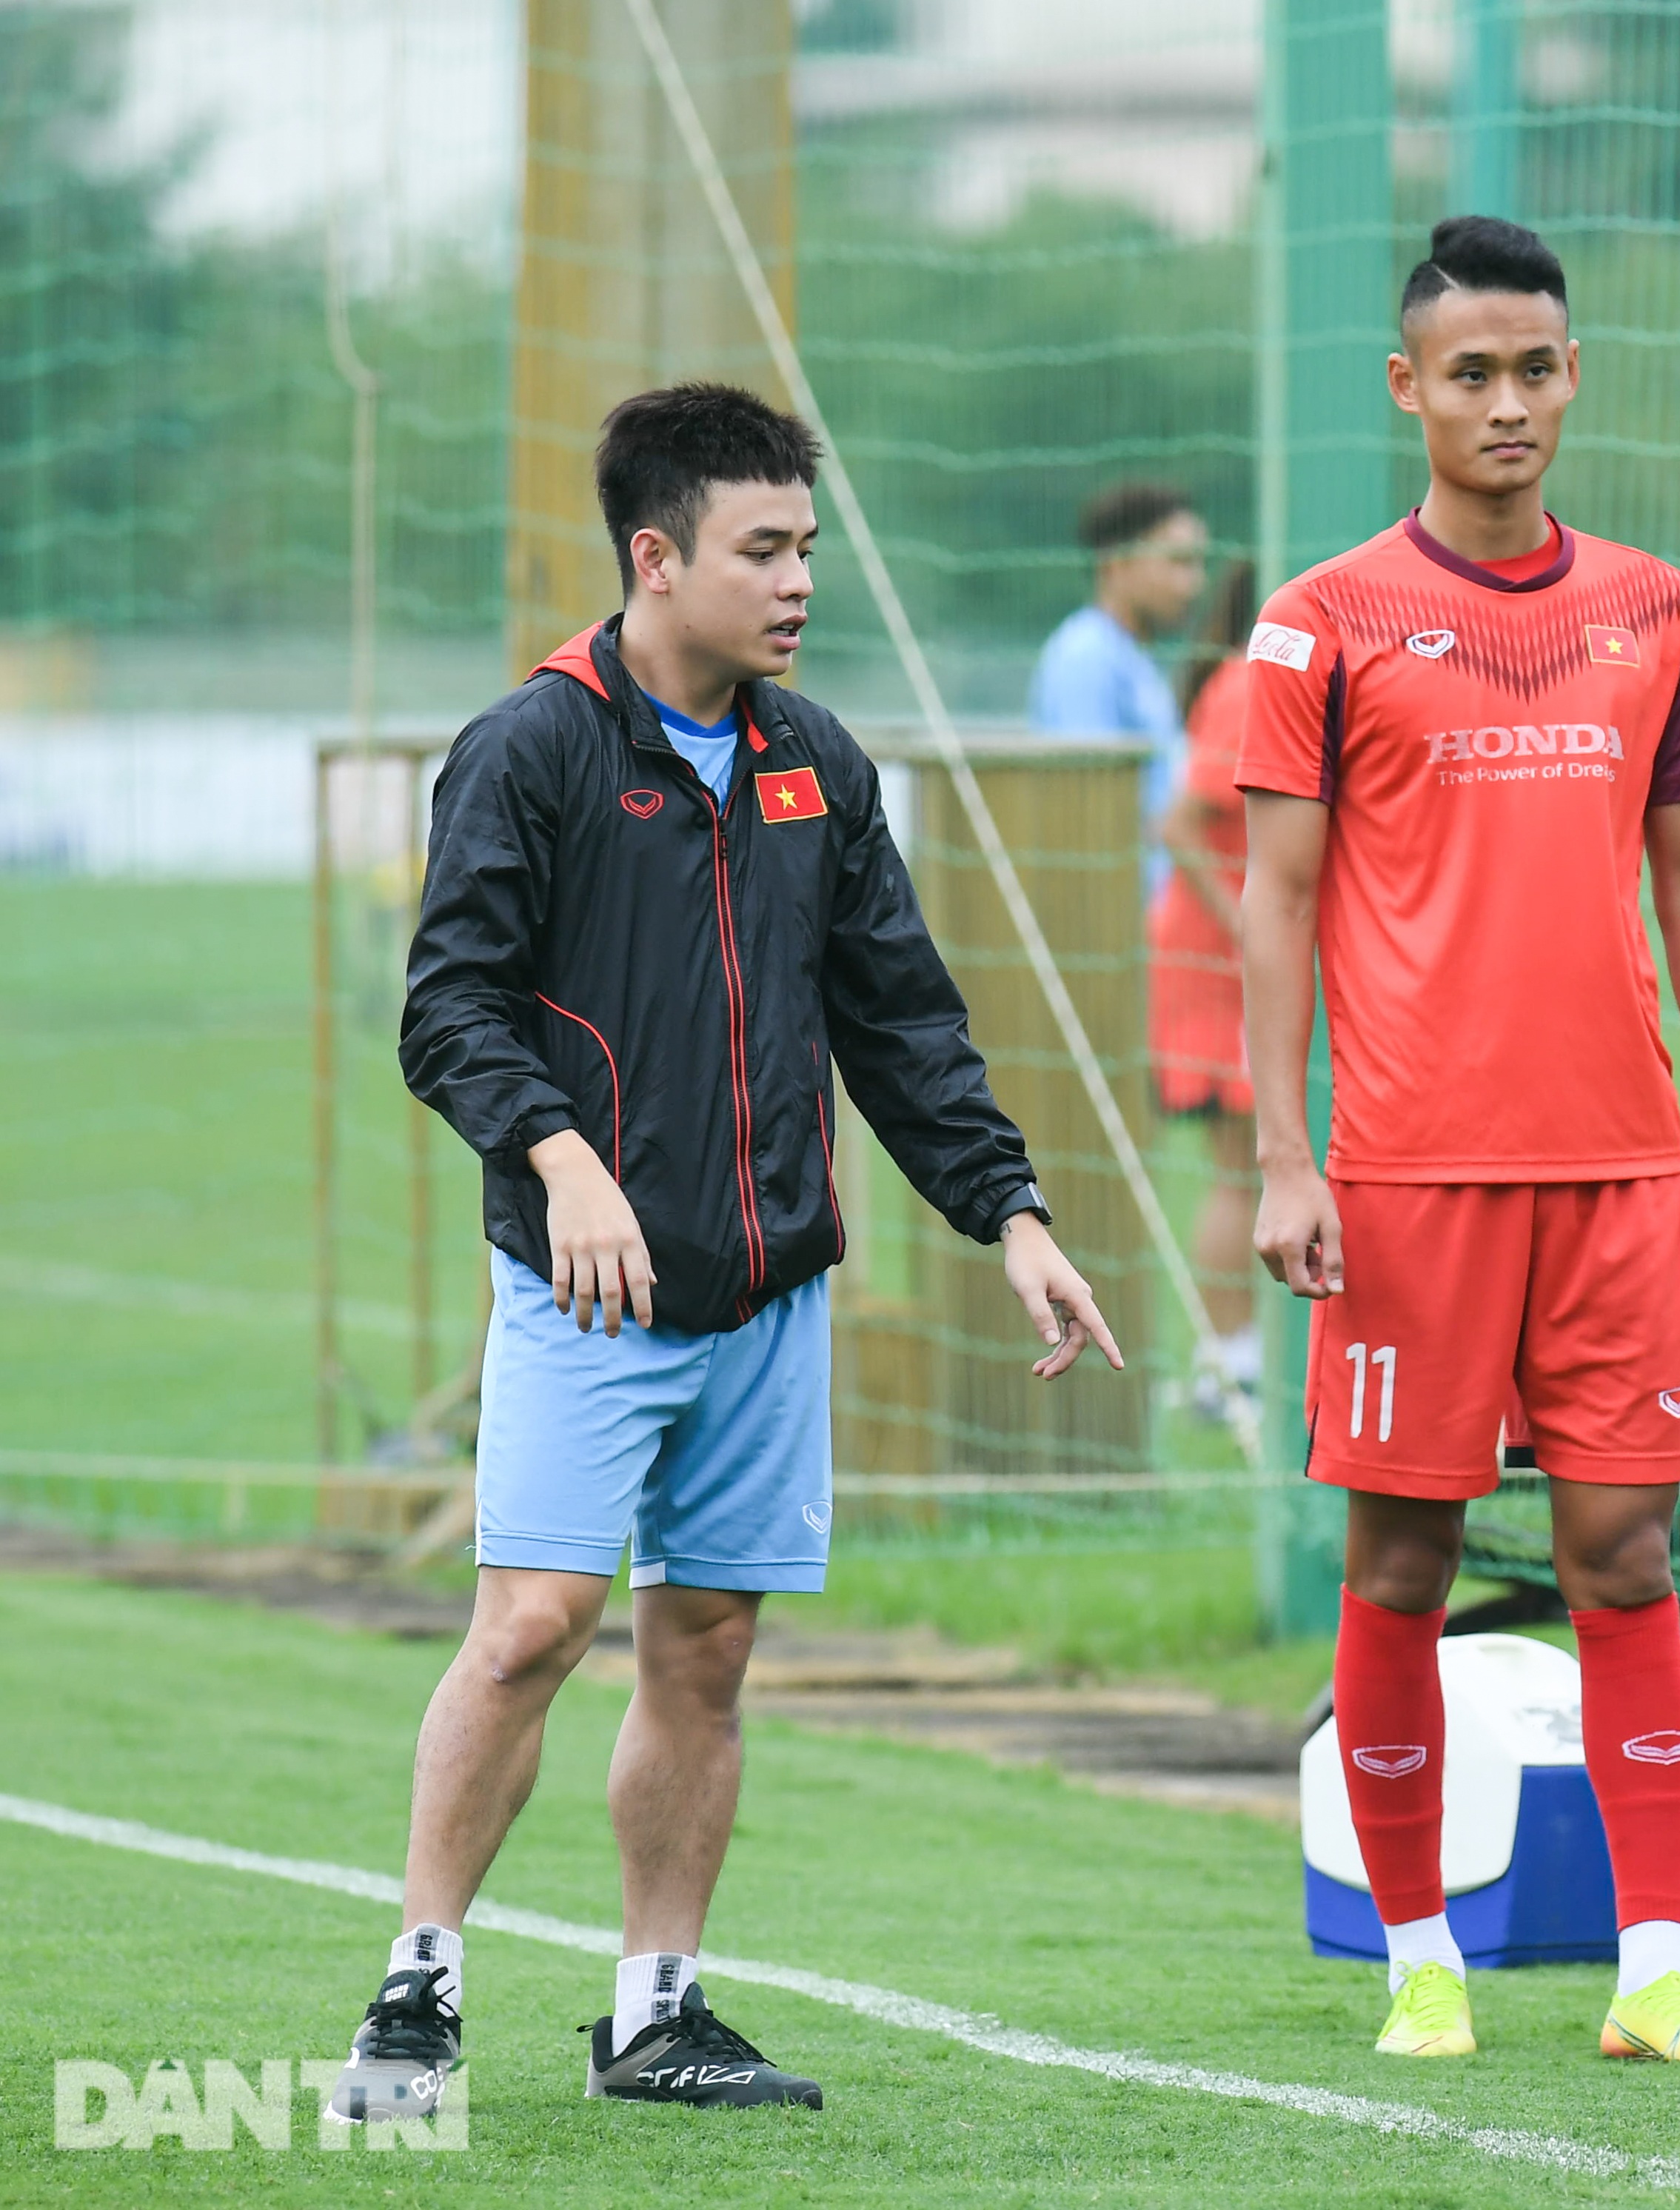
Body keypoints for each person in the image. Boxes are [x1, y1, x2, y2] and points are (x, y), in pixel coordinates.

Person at [361, 383, 1121, 2121]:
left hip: (770, 1295)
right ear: (656, 556)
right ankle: (419, 1987)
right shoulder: (531, 748)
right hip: (585, 1291)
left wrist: (1010, 1214)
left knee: (703, 1646)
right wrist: (562, 1159)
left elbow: (902, 1023)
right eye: (763, 549)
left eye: (806, 548)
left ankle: (657, 2015)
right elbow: (449, 1009)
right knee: (533, 1625)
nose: (797, 583)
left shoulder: (817, 764)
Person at [1237, 215, 1680, 2069]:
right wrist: (1287, 1155)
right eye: (1470, 371)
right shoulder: (1321, 619)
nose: (1507, 402)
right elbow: (1274, 899)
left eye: (1536, 367)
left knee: (1623, 1554)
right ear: (1408, 388)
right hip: (1409, 1174)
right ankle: (1419, 1960)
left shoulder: (1657, 608)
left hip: (1619, 1167)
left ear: (1572, 377)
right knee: (1402, 1566)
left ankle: (1656, 1973)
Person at [1152, 558, 1265, 1412]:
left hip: (1248, 960)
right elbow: (1181, 823)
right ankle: (1228, 1361)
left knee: (1260, 1161)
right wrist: (1248, 928)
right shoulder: (1247, 681)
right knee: (1242, 1164)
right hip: (1220, 965)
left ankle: (1243, 1353)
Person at [1031, 480, 1211, 895]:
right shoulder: (1086, 658)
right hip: (1118, 913)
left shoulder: (1131, 656)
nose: (1194, 584)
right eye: (1178, 562)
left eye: (1198, 563)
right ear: (1116, 565)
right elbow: (1088, 810)